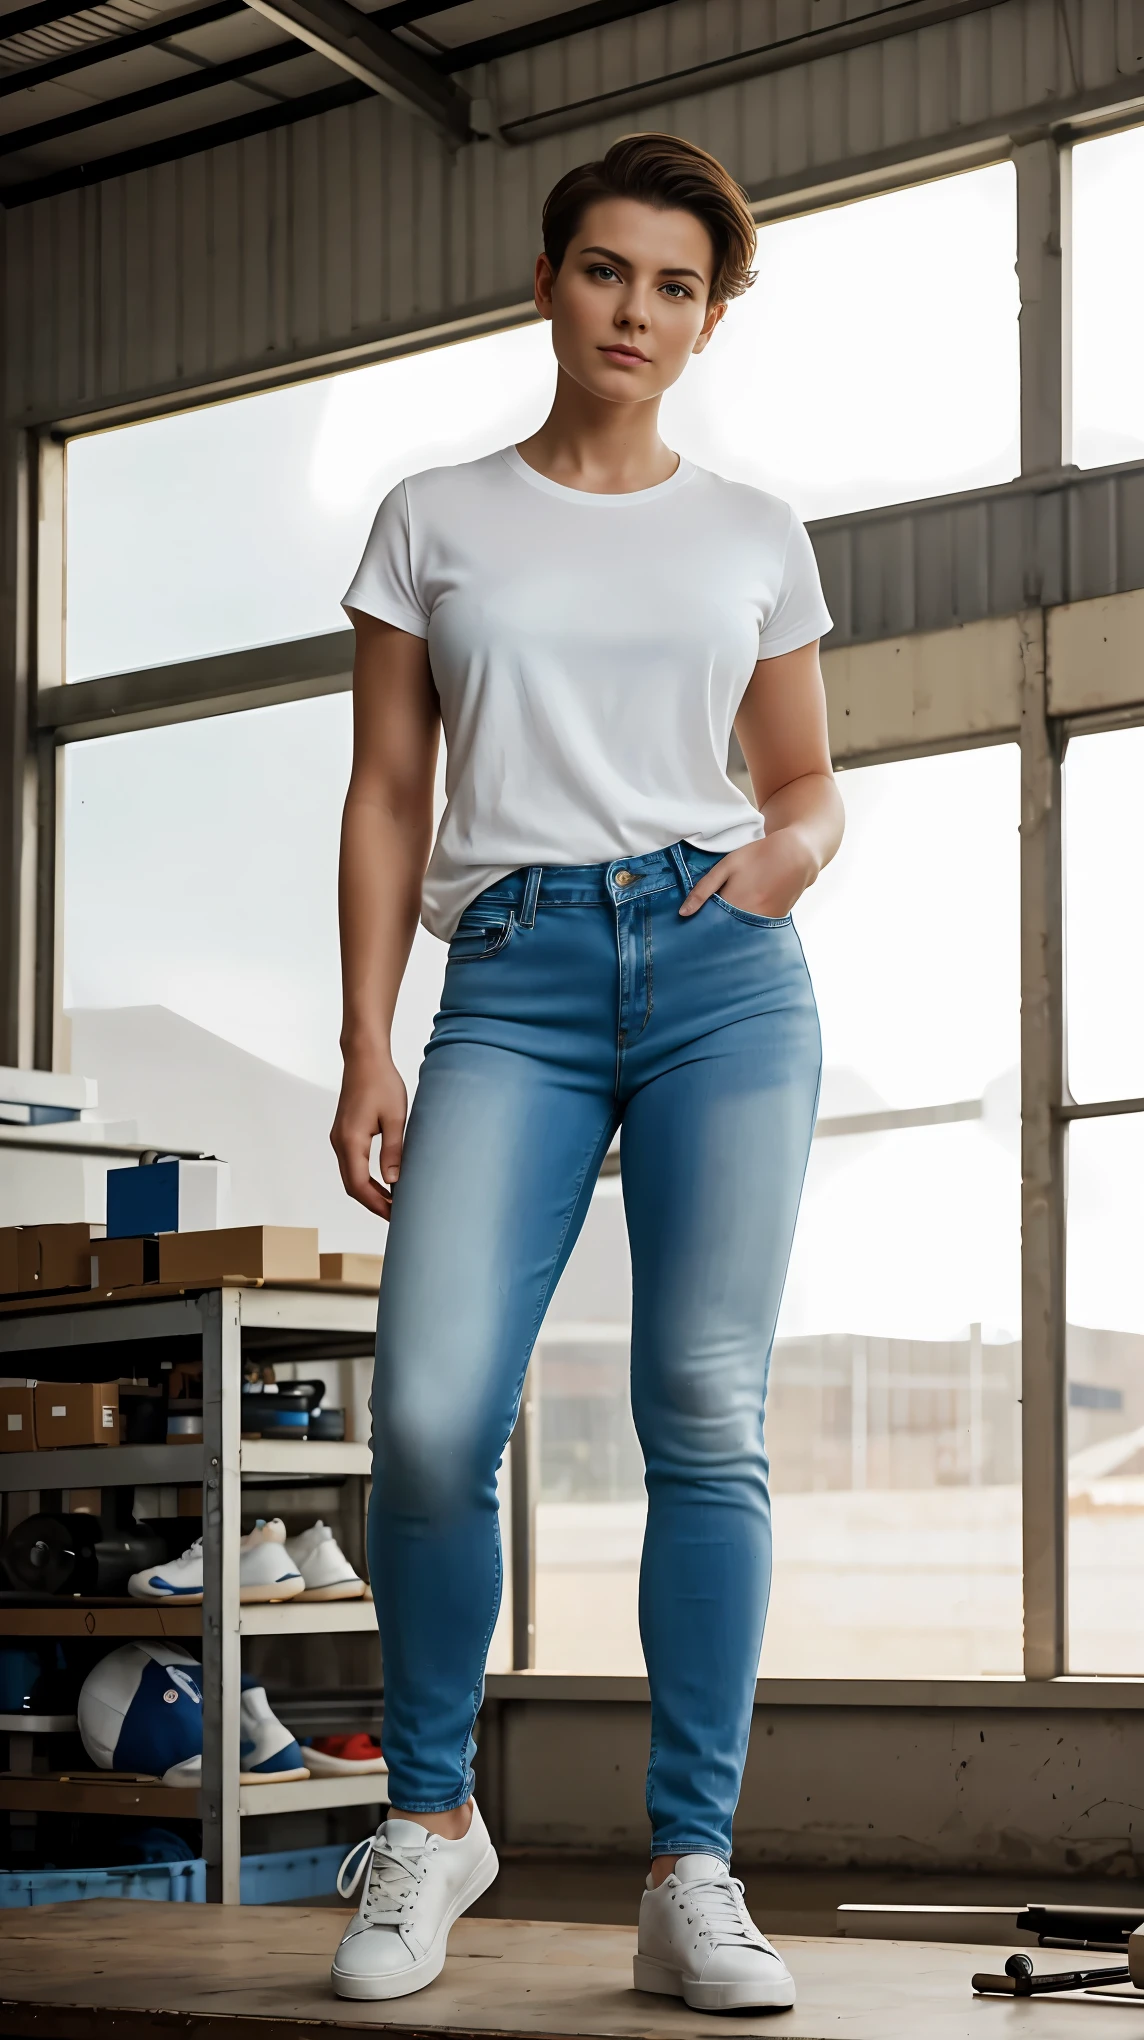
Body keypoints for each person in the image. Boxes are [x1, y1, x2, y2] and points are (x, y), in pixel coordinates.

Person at [328, 131, 844, 2013]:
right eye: (610, 270)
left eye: (679, 286)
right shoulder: (431, 517)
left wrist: (785, 857)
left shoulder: (754, 535)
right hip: (517, 979)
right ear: (551, 281)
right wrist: (371, 1035)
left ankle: (692, 1869)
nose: (638, 310)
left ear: (712, 320)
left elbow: (803, 781)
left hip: (723, 977)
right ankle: (437, 1820)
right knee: (435, 1418)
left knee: (705, 1412)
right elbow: (391, 795)